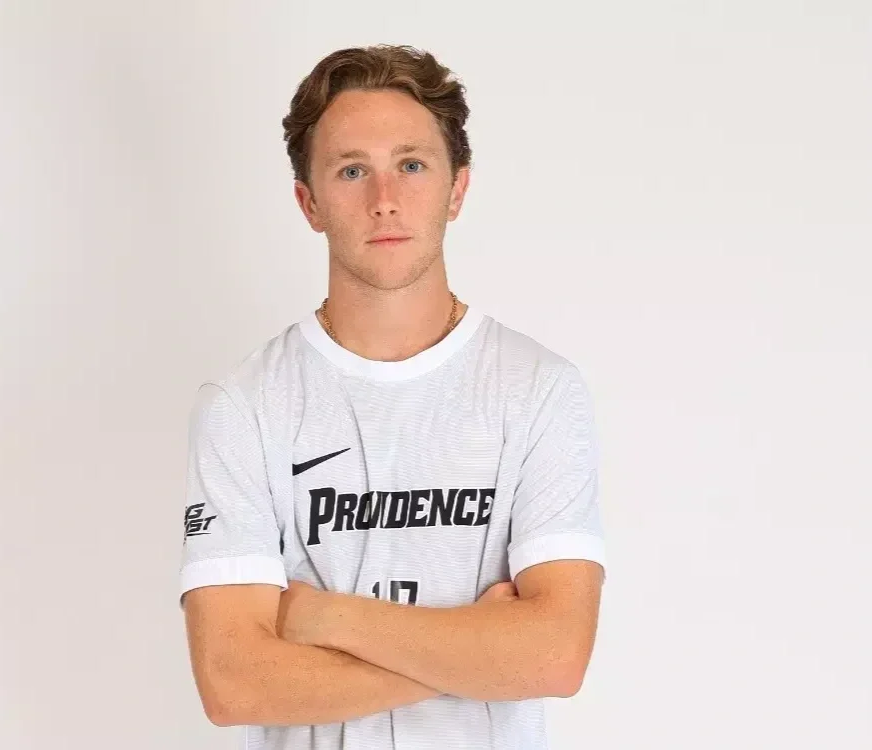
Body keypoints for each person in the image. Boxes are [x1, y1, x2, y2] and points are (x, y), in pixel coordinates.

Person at [178, 43, 607, 749]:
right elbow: (234, 684)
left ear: (456, 189)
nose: (384, 198)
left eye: (411, 165)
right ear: (309, 203)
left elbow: (555, 657)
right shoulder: (243, 405)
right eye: (352, 170)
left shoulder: (537, 389)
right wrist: (483, 649)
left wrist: (323, 618)